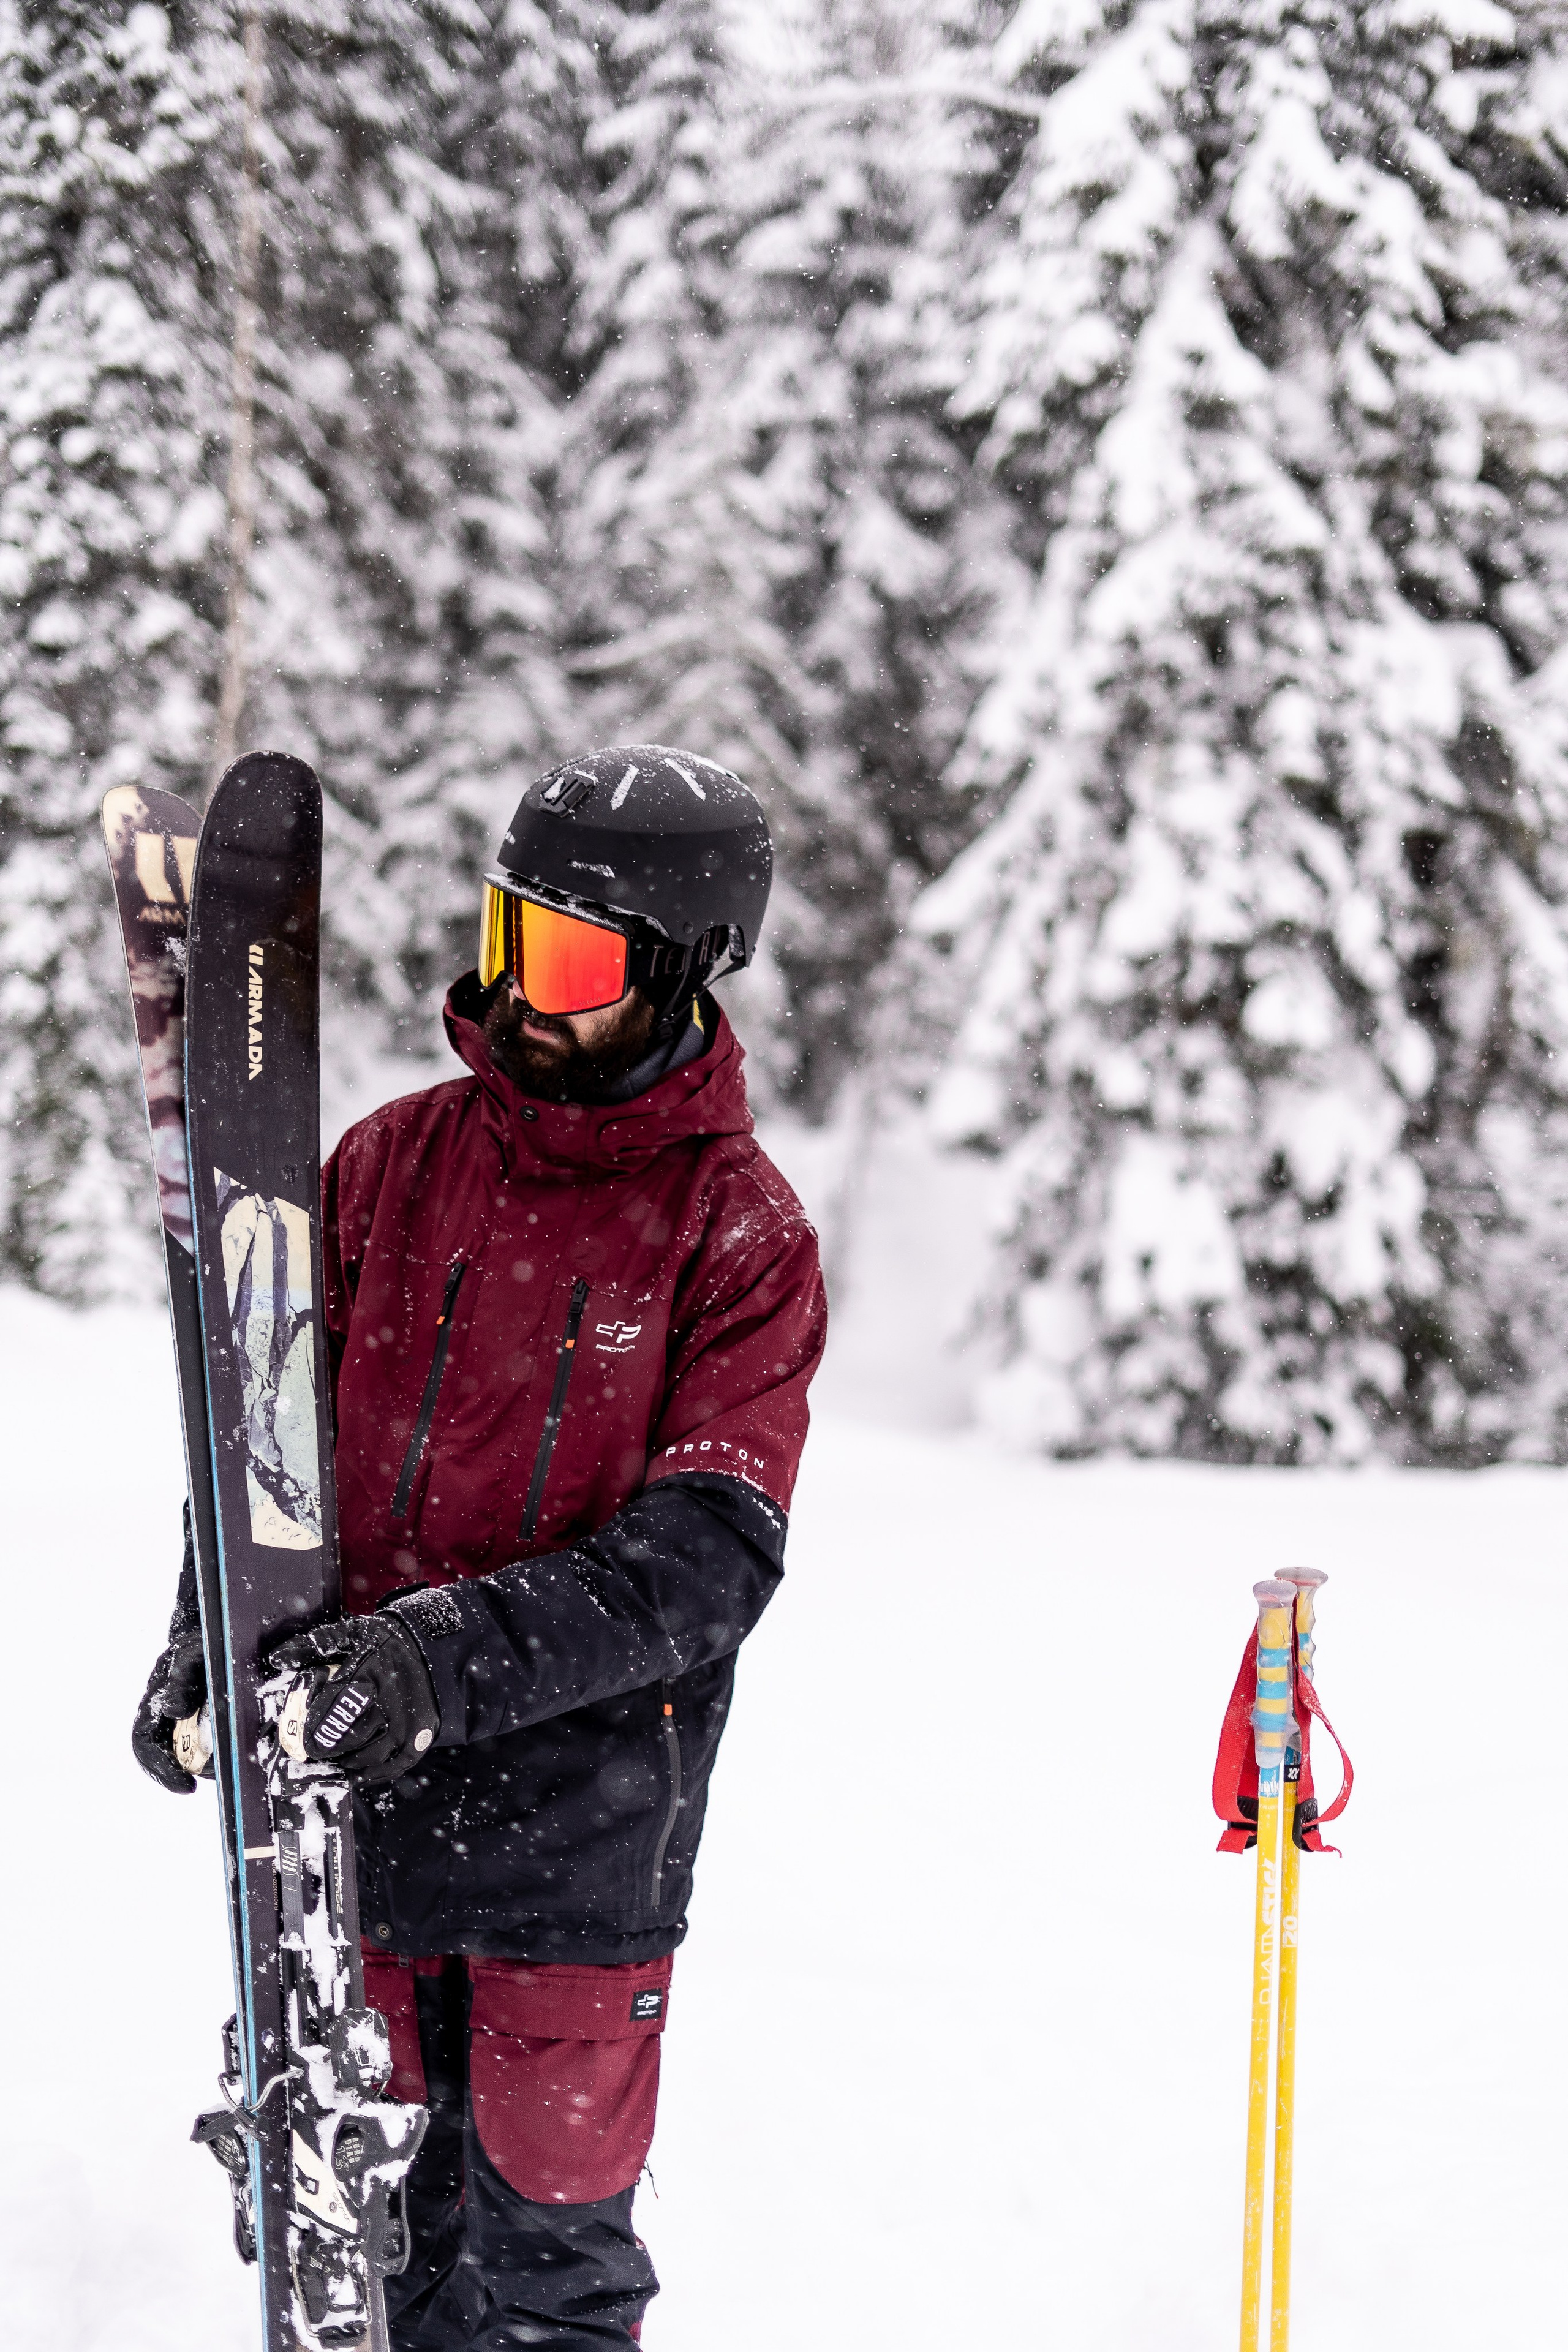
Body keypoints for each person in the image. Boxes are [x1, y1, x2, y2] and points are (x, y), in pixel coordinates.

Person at [132, 745, 828, 2350]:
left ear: (684, 970)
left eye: (569, 960)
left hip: (578, 1861)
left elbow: (708, 1557)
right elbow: (262, 1448)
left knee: (544, 2285)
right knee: (356, 2263)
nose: (518, 988)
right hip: (350, 1841)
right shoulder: (386, 1164)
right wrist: (204, 1638)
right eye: (509, 932)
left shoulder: (739, 1233)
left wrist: (433, 1660)